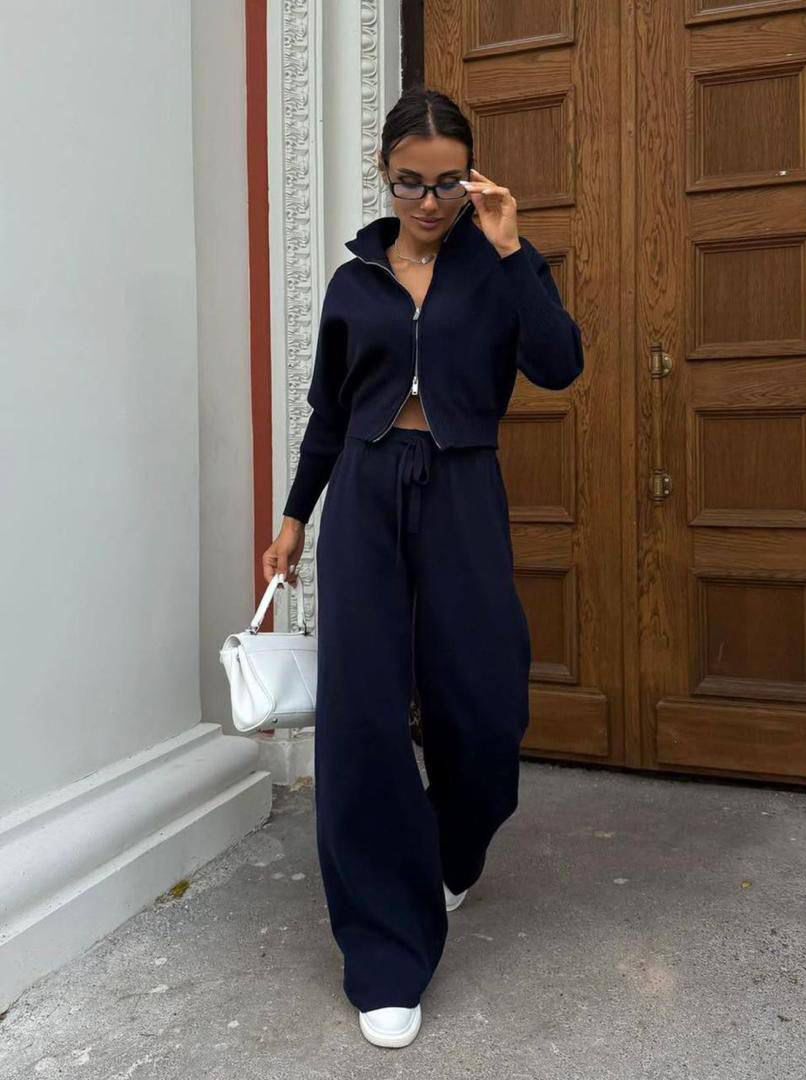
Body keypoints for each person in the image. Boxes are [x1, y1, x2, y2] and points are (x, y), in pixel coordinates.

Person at [261, 86, 584, 1048]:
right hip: (364, 493)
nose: (431, 202)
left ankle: (452, 846)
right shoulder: (353, 283)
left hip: (462, 487)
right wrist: (294, 518)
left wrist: (513, 249)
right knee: (361, 717)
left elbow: (560, 365)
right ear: (384, 174)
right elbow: (328, 414)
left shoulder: (498, 266)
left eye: (449, 183)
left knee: (484, 704)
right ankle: (386, 953)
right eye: (412, 183)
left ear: (473, 179)